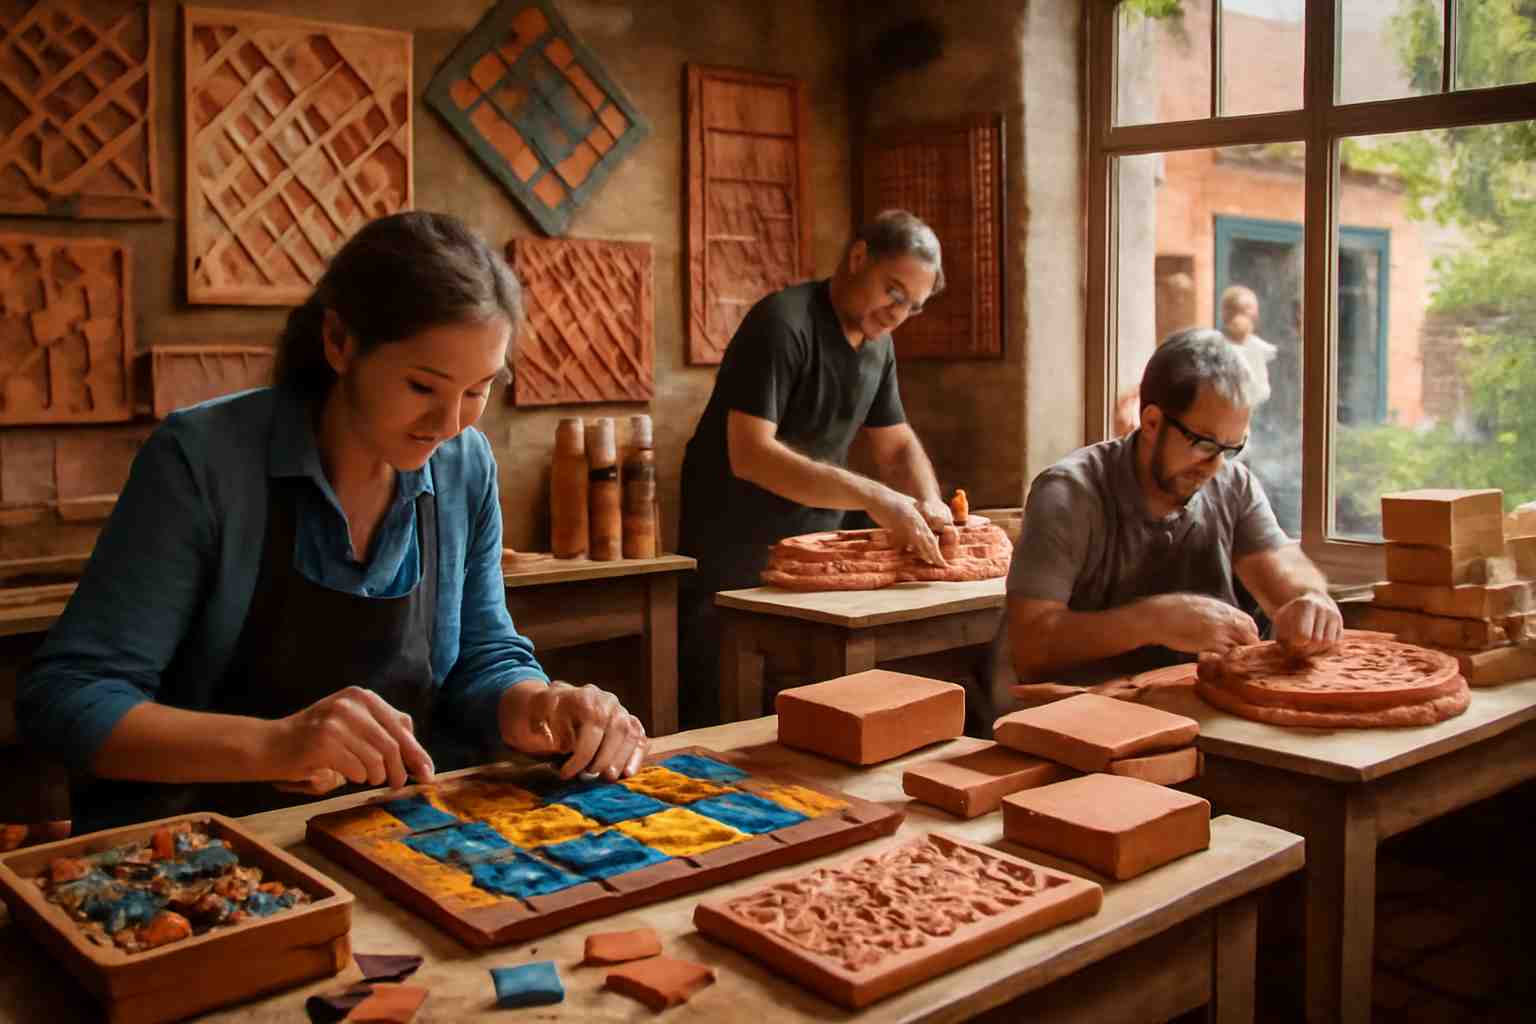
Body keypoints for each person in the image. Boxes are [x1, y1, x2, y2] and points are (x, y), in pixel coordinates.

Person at [18, 212, 647, 834]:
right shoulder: (202, 460)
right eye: (423, 386)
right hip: (206, 839)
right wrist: (276, 746)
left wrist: (536, 703)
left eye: (478, 390)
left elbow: (480, 655)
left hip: (399, 830)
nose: (450, 422)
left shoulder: (464, 465)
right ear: (339, 342)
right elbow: (69, 699)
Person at [677, 210, 952, 728]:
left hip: (815, 555)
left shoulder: (879, 345)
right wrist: (878, 499)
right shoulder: (784, 323)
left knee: (812, 719)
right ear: (857, 257)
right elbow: (750, 454)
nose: (897, 314)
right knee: (727, 722)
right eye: (893, 292)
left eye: (912, 306)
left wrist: (928, 500)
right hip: (737, 554)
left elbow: (895, 447)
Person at [996, 328, 1341, 701]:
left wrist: (1311, 601)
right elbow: (1030, 647)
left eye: (1231, 447)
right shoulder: (1069, 494)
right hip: (1088, 716)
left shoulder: (1232, 483)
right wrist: (1155, 620)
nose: (1214, 466)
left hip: (1196, 707)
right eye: (1204, 444)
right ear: (1151, 422)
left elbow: (1283, 568)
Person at [1219, 284, 1278, 407]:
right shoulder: (1215, 348)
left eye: (1244, 310)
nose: (1237, 317)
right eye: (1232, 310)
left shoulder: (1264, 350)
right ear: (1223, 315)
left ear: (1256, 315)